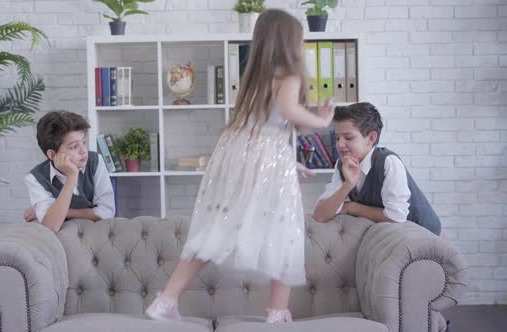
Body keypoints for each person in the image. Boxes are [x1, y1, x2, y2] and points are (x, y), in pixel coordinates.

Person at [145, 9, 333, 323]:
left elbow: (256, 133)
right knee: (286, 231)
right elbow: (287, 111)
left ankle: (165, 300)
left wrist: (287, 165)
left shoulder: (254, 79)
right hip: (264, 155)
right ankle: (277, 313)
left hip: (239, 153)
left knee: (215, 229)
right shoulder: (289, 75)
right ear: (290, 42)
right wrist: (322, 120)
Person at [313, 102, 441, 234]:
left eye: (348, 137)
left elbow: (395, 217)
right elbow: (319, 215)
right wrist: (347, 185)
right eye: (337, 138)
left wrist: (351, 207)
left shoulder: (388, 162)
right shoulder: (342, 165)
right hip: (390, 237)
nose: (339, 144)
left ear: (371, 138)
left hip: (424, 235)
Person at [23, 111, 115, 232]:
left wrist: (57, 212)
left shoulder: (95, 161)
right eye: (74, 147)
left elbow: (106, 212)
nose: (83, 151)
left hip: (97, 237)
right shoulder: (35, 178)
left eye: (84, 142)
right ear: (52, 154)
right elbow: (52, 225)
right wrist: (72, 176)